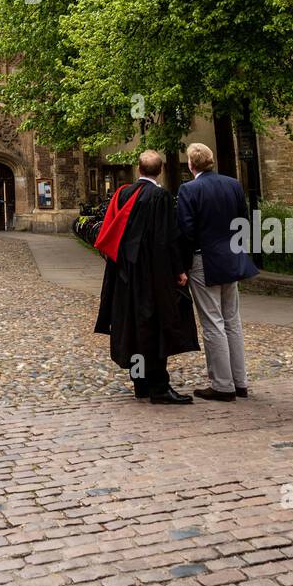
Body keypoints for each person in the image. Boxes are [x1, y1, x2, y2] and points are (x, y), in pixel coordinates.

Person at [93, 151, 199, 405]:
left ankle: (140, 383)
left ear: (138, 170)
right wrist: (179, 270)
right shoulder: (159, 196)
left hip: (123, 275)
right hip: (151, 276)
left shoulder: (122, 194)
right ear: (160, 170)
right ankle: (159, 387)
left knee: (131, 327)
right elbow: (167, 238)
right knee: (155, 327)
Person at [175, 143, 258, 402]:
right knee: (232, 320)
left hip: (204, 259)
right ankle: (239, 380)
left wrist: (181, 266)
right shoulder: (233, 185)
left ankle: (223, 385)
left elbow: (186, 231)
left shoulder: (189, 189)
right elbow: (244, 220)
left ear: (191, 164)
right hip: (230, 257)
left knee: (213, 322)